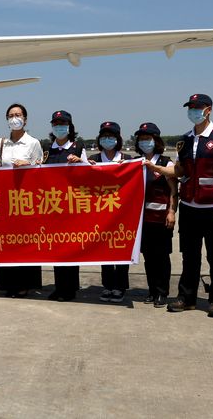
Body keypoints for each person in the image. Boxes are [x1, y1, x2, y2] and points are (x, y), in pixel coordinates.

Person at [150, 94, 213, 318]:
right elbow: (179, 170)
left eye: (198, 108)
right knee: (189, 256)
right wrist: (156, 168)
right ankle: (187, 297)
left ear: (209, 110)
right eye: (190, 108)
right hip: (190, 207)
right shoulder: (184, 140)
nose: (194, 112)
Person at [0, 103, 43, 298]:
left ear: (25, 119)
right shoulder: (2, 143)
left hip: (25, 200)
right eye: (11, 115)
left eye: (18, 115)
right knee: (8, 241)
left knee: (26, 242)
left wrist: (28, 164)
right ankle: (7, 283)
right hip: (6, 200)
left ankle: (25, 284)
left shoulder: (33, 143)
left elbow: (41, 170)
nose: (15, 119)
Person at [43, 110, 88, 302]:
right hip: (53, 207)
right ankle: (59, 287)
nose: (59, 127)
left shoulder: (78, 148)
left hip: (72, 207)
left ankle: (70, 289)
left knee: (70, 249)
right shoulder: (47, 148)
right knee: (57, 249)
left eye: (62, 123)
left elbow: (90, 173)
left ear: (69, 126)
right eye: (56, 124)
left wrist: (81, 162)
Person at [134, 123, 177, 308]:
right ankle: (152, 291)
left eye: (148, 139)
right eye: (141, 139)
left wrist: (172, 211)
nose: (144, 142)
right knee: (148, 257)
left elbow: (174, 190)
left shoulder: (165, 162)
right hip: (142, 220)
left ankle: (162, 292)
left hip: (161, 219)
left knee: (161, 257)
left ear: (156, 140)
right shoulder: (136, 162)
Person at [90, 121, 132, 303]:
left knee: (122, 249)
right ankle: (107, 286)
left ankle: (120, 287)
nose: (108, 139)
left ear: (118, 139)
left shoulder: (127, 159)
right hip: (101, 213)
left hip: (122, 213)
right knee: (105, 251)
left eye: (111, 136)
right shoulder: (94, 159)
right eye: (104, 136)